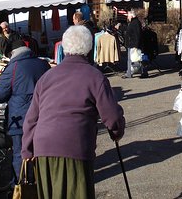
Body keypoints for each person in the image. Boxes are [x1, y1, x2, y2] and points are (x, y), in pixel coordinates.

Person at [21, 25, 125, 199]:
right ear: (89, 48)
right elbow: (112, 116)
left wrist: (27, 151)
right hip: (75, 147)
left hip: (43, 148)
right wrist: (116, 132)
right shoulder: (95, 77)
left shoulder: (47, 77)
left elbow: (31, 119)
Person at [0, 44, 51, 180]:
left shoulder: (13, 67)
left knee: (20, 154)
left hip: (21, 117)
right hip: (45, 115)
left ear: (13, 53)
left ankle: (23, 186)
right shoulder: (43, 64)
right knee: (43, 152)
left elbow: (0, 95)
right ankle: (44, 183)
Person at [123, 9, 143, 78]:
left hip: (133, 44)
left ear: (131, 15)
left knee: (134, 59)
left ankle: (130, 73)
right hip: (132, 44)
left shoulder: (135, 23)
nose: (127, 17)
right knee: (132, 59)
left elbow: (137, 34)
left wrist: (136, 45)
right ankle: (129, 72)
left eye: (128, 15)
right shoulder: (134, 22)